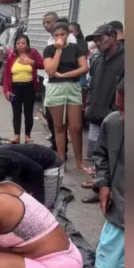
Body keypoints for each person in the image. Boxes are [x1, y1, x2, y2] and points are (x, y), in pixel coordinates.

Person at [43, 22, 90, 174]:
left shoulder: (76, 48)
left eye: (62, 34)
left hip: (73, 87)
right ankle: (61, 160)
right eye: (56, 35)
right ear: (53, 36)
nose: (59, 37)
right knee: (59, 126)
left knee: (76, 127)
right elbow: (50, 71)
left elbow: (84, 67)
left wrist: (65, 75)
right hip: (56, 88)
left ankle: (79, 161)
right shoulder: (49, 49)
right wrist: (58, 50)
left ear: (68, 35)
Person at [0, 143, 63, 209]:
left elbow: (36, 170)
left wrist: (39, 203)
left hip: (49, 165)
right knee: (22, 203)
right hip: (24, 169)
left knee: (45, 208)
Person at [93, 80, 125, 268]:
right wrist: (103, 184)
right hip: (118, 213)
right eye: (120, 109)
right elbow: (102, 156)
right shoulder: (112, 122)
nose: (123, 117)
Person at [84, 23, 125, 171]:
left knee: (113, 157)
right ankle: (98, 181)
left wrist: (116, 112)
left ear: (114, 36)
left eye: (102, 39)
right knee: (95, 155)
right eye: (95, 41)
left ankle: (111, 189)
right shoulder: (97, 60)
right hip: (96, 117)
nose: (98, 43)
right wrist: (89, 105)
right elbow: (92, 86)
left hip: (114, 118)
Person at [2, 34, 44, 144]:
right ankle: (16, 136)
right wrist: (6, 90)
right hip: (15, 88)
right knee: (16, 112)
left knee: (28, 112)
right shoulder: (11, 56)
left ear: (27, 44)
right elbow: (6, 74)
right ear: (15, 45)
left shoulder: (33, 53)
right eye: (18, 43)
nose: (20, 45)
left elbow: (43, 65)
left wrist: (31, 62)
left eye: (23, 43)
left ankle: (27, 136)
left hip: (29, 87)